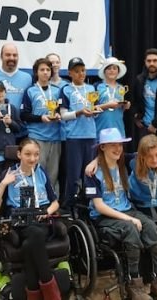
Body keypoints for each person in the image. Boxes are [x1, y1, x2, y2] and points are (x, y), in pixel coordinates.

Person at [85, 128, 157, 300]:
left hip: (127, 209)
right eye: (113, 145)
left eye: (119, 144)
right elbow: (99, 206)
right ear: (102, 147)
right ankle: (133, 283)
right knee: (131, 230)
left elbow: (147, 150)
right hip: (105, 217)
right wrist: (129, 218)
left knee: (151, 228)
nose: (118, 148)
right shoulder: (92, 172)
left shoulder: (123, 161)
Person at [0, 138, 61, 299]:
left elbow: (55, 203)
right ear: (19, 154)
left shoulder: (41, 172)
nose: (32, 159)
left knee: (30, 243)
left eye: (36, 154)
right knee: (34, 236)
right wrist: (3, 184)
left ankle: (33, 294)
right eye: (28, 154)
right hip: (19, 220)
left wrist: (48, 211)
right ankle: (51, 292)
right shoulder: (9, 174)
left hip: (41, 217)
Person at [60, 57, 99, 209]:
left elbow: (95, 110)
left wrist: (94, 112)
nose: (80, 74)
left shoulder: (91, 89)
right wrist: (79, 112)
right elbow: (63, 115)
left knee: (90, 173)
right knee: (74, 174)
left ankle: (89, 202)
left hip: (90, 135)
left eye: (83, 70)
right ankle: (70, 204)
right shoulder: (66, 90)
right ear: (70, 73)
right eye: (76, 71)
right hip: (74, 137)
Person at [21, 58, 61, 188]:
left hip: (55, 137)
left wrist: (59, 115)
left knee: (53, 174)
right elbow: (24, 115)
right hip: (37, 137)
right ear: (36, 72)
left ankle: (50, 202)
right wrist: (41, 118)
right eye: (42, 70)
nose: (45, 72)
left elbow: (61, 110)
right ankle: (36, 203)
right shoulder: (30, 91)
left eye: (48, 70)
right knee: (36, 171)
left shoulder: (57, 91)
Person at [0, 43, 32, 143]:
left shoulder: (27, 78)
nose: (11, 58)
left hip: (21, 131)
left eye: (14, 55)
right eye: (8, 55)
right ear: (1, 56)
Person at [45, 53, 69, 203]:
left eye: (56, 62)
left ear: (60, 64)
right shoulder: (41, 85)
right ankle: (48, 201)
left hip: (66, 134)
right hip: (49, 134)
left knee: (65, 172)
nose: (54, 65)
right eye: (51, 62)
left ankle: (64, 202)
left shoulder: (67, 85)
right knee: (49, 172)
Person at [94, 56, 131, 139]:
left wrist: (125, 106)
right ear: (104, 71)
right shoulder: (97, 86)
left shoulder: (122, 88)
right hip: (101, 127)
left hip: (118, 128)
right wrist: (107, 105)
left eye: (114, 68)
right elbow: (91, 109)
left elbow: (121, 110)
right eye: (109, 68)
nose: (112, 71)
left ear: (118, 71)